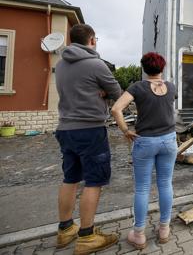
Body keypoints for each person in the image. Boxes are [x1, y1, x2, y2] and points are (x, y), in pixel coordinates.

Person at [54, 24, 121, 254]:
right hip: (90, 130)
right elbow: (118, 93)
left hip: (65, 129)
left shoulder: (61, 64)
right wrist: (103, 92)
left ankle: (65, 230)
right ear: (92, 40)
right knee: (94, 181)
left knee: (70, 178)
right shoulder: (96, 64)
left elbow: (75, 89)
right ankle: (87, 235)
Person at [111, 52, 177, 249]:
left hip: (145, 141)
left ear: (143, 68)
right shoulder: (171, 86)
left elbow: (116, 109)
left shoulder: (138, 87)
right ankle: (164, 228)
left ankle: (139, 234)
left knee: (142, 188)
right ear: (162, 68)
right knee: (165, 184)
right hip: (169, 141)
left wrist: (125, 130)